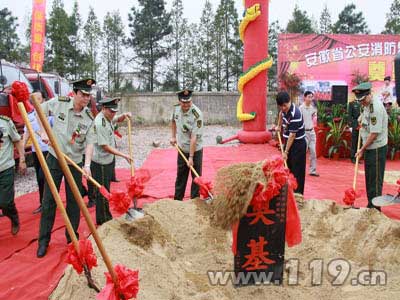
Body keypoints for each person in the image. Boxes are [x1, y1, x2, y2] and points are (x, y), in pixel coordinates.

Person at [36, 78, 96, 258]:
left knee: (74, 202)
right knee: (49, 201)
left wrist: (87, 165)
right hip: (55, 158)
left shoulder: (89, 117)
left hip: (74, 162)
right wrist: (43, 131)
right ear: (75, 93)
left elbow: (90, 143)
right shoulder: (59, 103)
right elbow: (38, 110)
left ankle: (71, 237)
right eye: (83, 94)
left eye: (88, 95)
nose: (86, 98)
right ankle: (43, 241)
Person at [91, 97, 132, 225]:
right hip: (100, 162)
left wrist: (124, 116)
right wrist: (123, 155)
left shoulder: (107, 117)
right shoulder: (100, 123)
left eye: (115, 111)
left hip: (107, 160)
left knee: (106, 189)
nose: (113, 114)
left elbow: (115, 119)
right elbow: (105, 146)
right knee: (103, 192)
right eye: (111, 111)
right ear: (103, 109)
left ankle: (104, 216)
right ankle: (104, 220)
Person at [353, 82, 388, 211]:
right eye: (359, 100)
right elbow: (364, 119)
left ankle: (375, 209)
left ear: (369, 94)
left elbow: (374, 133)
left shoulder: (376, 108)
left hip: (377, 148)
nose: (361, 102)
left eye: (363, 99)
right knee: (369, 178)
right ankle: (370, 204)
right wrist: (360, 118)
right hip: (368, 147)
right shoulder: (366, 105)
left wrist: (362, 149)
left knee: (375, 180)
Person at [170, 89, 204, 200]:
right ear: (179, 101)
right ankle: (178, 200)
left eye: (188, 102)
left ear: (191, 100)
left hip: (195, 150)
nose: (186, 105)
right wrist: (173, 136)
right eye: (183, 102)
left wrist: (191, 157)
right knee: (181, 176)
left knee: (196, 177)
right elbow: (173, 121)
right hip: (182, 148)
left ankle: (195, 200)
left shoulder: (197, 114)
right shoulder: (176, 109)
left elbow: (194, 138)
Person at [22, 93, 53, 214]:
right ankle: (43, 203)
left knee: (43, 176)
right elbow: (26, 134)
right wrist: (22, 152)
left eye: (38, 99)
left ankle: (49, 202)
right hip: (36, 152)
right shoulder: (29, 117)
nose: (36, 102)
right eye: (33, 100)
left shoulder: (50, 116)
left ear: (44, 100)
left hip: (49, 151)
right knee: (39, 179)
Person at [0, 114, 26, 235]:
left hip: (5, 168)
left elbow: (17, 141)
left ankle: (13, 215)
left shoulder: (5, 122)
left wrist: (22, 159)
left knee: (5, 202)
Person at [276, 91, 306, 195]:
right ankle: (289, 194)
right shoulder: (283, 110)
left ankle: (297, 195)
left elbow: (292, 136)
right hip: (288, 143)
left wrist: (286, 152)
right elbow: (281, 114)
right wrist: (279, 126)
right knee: (287, 168)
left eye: (285, 105)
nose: (283, 108)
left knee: (297, 171)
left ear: (289, 102)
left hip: (298, 145)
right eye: (281, 106)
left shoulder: (296, 114)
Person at [299, 91, 319, 176]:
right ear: (305, 97)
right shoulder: (300, 108)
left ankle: (313, 171)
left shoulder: (312, 108)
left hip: (312, 132)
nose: (311, 99)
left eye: (311, 97)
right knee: (303, 152)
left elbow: (314, 118)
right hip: (304, 133)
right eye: (309, 97)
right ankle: (300, 170)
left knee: (313, 152)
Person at [347, 96, 362, 164]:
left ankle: (358, 157)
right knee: (354, 141)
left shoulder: (363, 103)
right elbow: (350, 115)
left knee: (361, 142)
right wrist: (350, 125)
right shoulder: (352, 104)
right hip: (355, 124)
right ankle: (353, 157)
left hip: (363, 124)